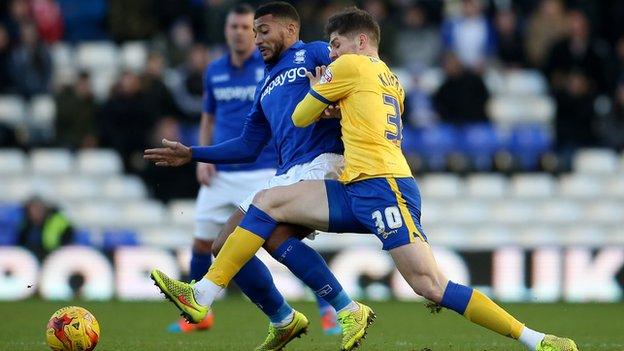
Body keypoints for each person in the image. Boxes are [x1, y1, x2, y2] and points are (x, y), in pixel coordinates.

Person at [146, 7, 578, 351]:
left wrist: (320, 93)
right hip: (356, 186)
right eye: (330, 47)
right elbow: (354, 115)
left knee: (431, 285)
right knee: (268, 214)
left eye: (336, 45)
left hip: (382, 185)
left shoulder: (343, 63)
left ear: (361, 42)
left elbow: (302, 114)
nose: (330, 53)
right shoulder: (390, 80)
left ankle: (535, 340)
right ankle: (241, 302)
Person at [146, 3, 370, 350]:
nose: (257, 39)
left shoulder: (314, 52)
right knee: (228, 243)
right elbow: (249, 145)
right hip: (287, 172)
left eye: (263, 31)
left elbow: (361, 74)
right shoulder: (265, 84)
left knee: (255, 226)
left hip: (323, 162)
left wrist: (337, 106)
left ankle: (201, 295)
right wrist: (193, 153)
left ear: (290, 31)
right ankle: (287, 318)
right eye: (254, 33)